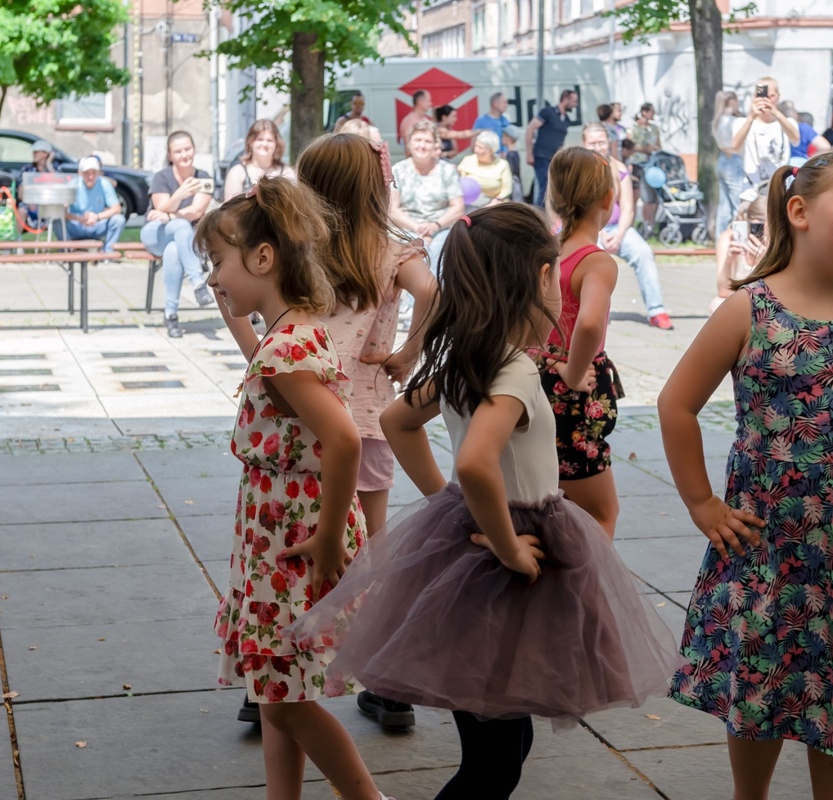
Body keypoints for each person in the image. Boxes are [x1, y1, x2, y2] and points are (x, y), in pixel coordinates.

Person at [285, 204, 680, 799]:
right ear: (540, 279)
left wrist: (446, 500)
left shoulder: (467, 359)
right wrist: (506, 544)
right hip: (507, 559)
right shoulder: (514, 370)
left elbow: (397, 421)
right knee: (494, 763)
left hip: (475, 548)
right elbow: (474, 462)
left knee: (504, 745)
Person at [660, 152, 833, 800]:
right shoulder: (749, 309)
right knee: (758, 680)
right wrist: (702, 503)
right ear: (799, 211)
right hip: (763, 545)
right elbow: (676, 405)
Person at [198, 177, 390, 800]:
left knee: (285, 701)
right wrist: (231, 310)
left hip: (294, 541)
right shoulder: (294, 333)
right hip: (278, 534)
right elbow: (266, 364)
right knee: (277, 689)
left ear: (263, 258)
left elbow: (345, 440)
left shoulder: (286, 350)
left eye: (218, 262)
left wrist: (329, 537)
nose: (214, 277)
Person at [296, 132, 438, 732]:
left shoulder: (296, 246)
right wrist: (408, 352)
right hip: (367, 415)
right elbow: (437, 296)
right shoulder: (393, 251)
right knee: (371, 548)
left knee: (295, 539)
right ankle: (386, 685)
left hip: (301, 414)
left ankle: (275, 674)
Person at [539, 146, 624, 536]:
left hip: (539, 377)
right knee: (600, 513)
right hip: (574, 392)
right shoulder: (596, 262)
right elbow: (589, 324)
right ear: (607, 199)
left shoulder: (545, 252)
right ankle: (587, 577)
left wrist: (550, 357)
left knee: (550, 504)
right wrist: (573, 371)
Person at [581, 123, 674, 330]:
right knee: (592, 259)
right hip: (589, 229)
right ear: (584, 144)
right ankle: (592, 312)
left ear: (609, 142)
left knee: (643, 252)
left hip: (617, 228)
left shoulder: (619, 168)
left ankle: (656, 311)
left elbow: (628, 208)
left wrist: (620, 234)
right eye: (592, 143)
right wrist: (600, 233)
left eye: (601, 142)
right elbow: (581, 209)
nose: (598, 147)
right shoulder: (579, 170)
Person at [141, 130, 214, 338]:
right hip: (156, 233)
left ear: (194, 149)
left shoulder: (204, 178)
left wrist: (170, 215)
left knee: (173, 250)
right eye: (178, 151)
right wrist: (180, 195)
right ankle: (198, 282)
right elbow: (159, 209)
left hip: (182, 240)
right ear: (170, 155)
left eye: (187, 149)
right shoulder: (161, 177)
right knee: (181, 225)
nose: (184, 155)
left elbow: (197, 211)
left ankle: (170, 314)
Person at [390, 120, 465, 273]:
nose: (422, 145)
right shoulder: (398, 170)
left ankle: (436, 288)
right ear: (409, 143)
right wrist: (417, 228)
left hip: (441, 228)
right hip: (408, 229)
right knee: (414, 258)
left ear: (435, 145)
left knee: (440, 256)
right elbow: (392, 209)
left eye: (428, 141)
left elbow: (458, 207)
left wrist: (435, 226)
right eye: (418, 140)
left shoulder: (447, 170)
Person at [731, 77, 800, 189]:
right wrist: (751, 117)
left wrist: (776, 113)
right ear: (754, 97)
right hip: (751, 190)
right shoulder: (742, 123)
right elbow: (734, 147)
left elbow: (795, 139)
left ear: (778, 97)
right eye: (762, 96)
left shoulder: (787, 122)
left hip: (780, 189)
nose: (766, 100)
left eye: (771, 96)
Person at [708, 189, 766, 314]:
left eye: (762, 227)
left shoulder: (779, 244)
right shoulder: (729, 238)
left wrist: (764, 264)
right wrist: (729, 261)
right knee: (717, 304)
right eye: (754, 226)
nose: (758, 232)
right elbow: (723, 291)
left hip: (766, 302)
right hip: (737, 300)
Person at [525, 88, 579, 206]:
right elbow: (530, 128)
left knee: (556, 188)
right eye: (574, 101)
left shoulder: (567, 120)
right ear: (565, 98)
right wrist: (529, 153)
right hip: (542, 157)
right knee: (545, 187)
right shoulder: (547, 112)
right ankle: (539, 214)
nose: (575, 105)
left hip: (555, 159)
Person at [61, 156, 124, 254]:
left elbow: (117, 208)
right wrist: (79, 218)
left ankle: (107, 252)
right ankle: (66, 250)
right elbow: (62, 211)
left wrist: (97, 217)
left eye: (93, 173)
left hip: (97, 224)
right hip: (76, 224)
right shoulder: (73, 184)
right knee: (57, 221)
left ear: (98, 173)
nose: (90, 177)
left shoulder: (105, 183)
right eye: (87, 173)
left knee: (119, 220)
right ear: (81, 173)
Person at [223, 119, 294, 202]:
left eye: (269, 140)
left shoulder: (287, 172)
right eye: (260, 139)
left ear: (277, 144)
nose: (265, 144)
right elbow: (230, 207)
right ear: (250, 142)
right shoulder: (237, 172)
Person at [713, 90, 747, 236]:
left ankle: (720, 238)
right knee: (737, 203)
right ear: (732, 102)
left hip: (722, 158)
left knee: (724, 206)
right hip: (734, 159)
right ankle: (738, 237)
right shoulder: (734, 121)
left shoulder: (718, 120)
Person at [628, 103, 663, 228]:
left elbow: (659, 146)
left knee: (651, 196)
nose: (653, 114)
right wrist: (644, 149)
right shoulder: (633, 129)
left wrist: (653, 149)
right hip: (637, 164)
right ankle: (630, 224)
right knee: (635, 195)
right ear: (644, 112)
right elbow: (629, 147)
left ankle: (649, 224)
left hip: (651, 164)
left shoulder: (654, 128)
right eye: (651, 111)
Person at [457, 131, 512, 207]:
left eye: (480, 148)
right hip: (468, 204)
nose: (476, 150)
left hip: (493, 204)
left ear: (491, 151)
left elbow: (506, 189)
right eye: (476, 146)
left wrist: (496, 201)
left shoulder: (502, 164)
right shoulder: (468, 160)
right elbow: (459, 182)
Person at [17, 139, 57, 231]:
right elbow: (20, 193)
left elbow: (57, 187)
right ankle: (17, 238)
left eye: (36, 152)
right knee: (21, 210)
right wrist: (28, 201)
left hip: (48, 204)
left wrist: (48, 165)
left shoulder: (54, 168)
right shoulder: (27, 169)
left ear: (45, 154)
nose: (33, 154)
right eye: (33, 152)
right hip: (31, 203)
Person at [503, 125, 525, 202]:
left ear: (510, 138)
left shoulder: (511, 155)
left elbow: (512, 171)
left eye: (504, 136)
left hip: (513, 187)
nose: (502, 138)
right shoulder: (514, 153)